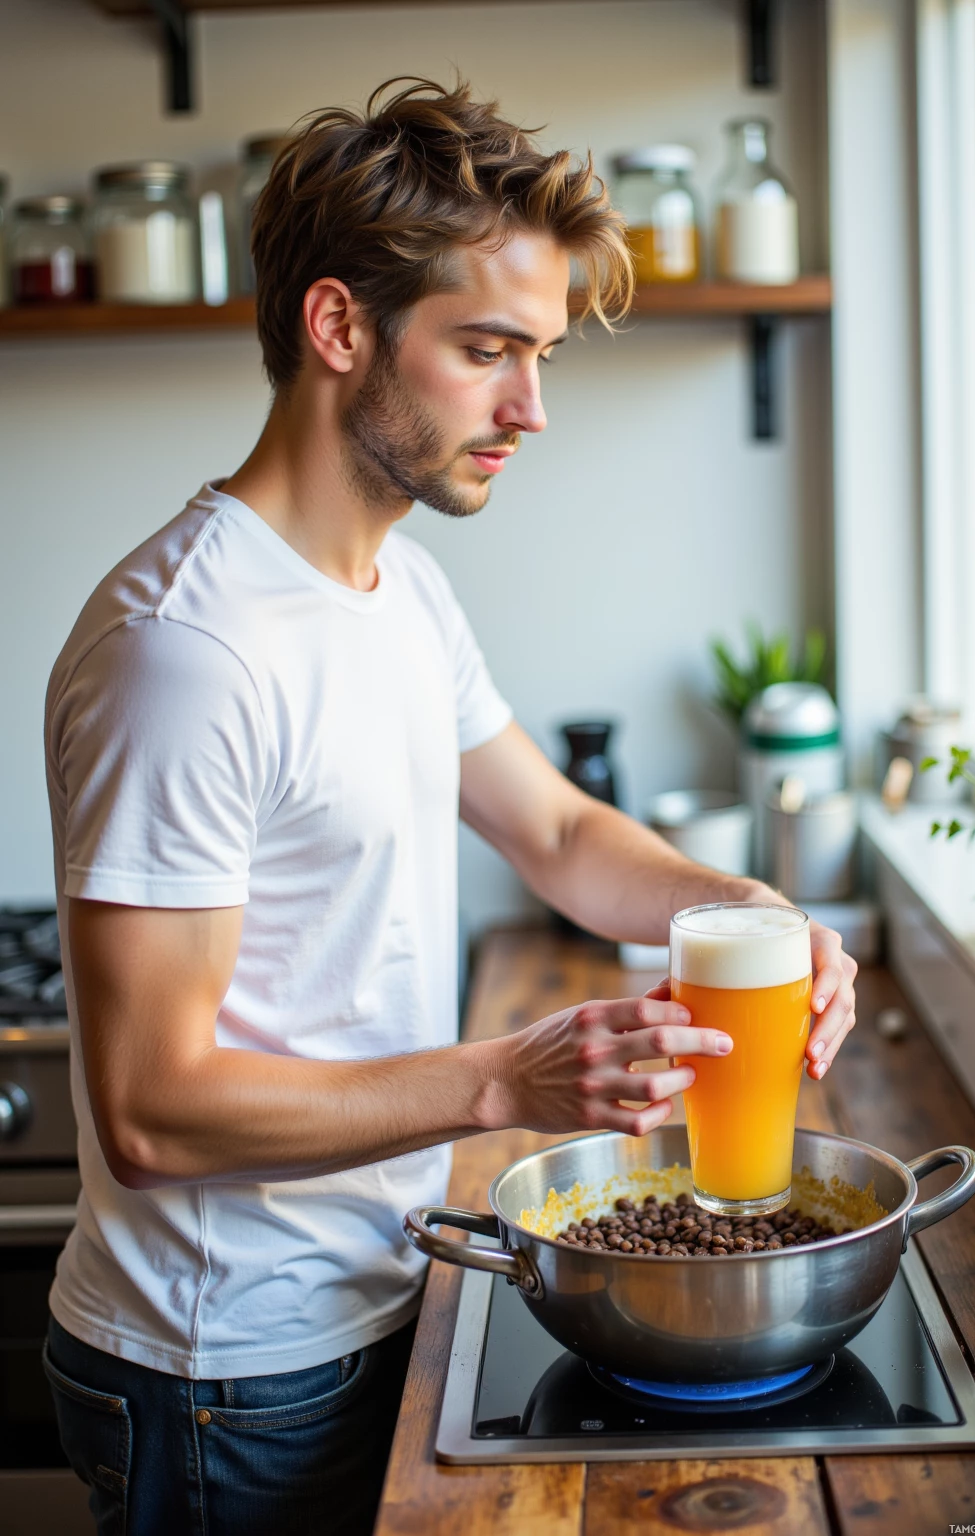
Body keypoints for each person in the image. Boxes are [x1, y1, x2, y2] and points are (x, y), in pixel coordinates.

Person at [43, 78, 857, 1536]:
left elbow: (557, 835)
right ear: (340, 328)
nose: (531, 409)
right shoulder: (186, 647)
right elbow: (152, 1107)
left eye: (538, 356)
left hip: (382, 1289)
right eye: (488, 351)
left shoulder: (397, 585)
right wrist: (504, 1081)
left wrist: (762, 919)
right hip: (232, 1368)